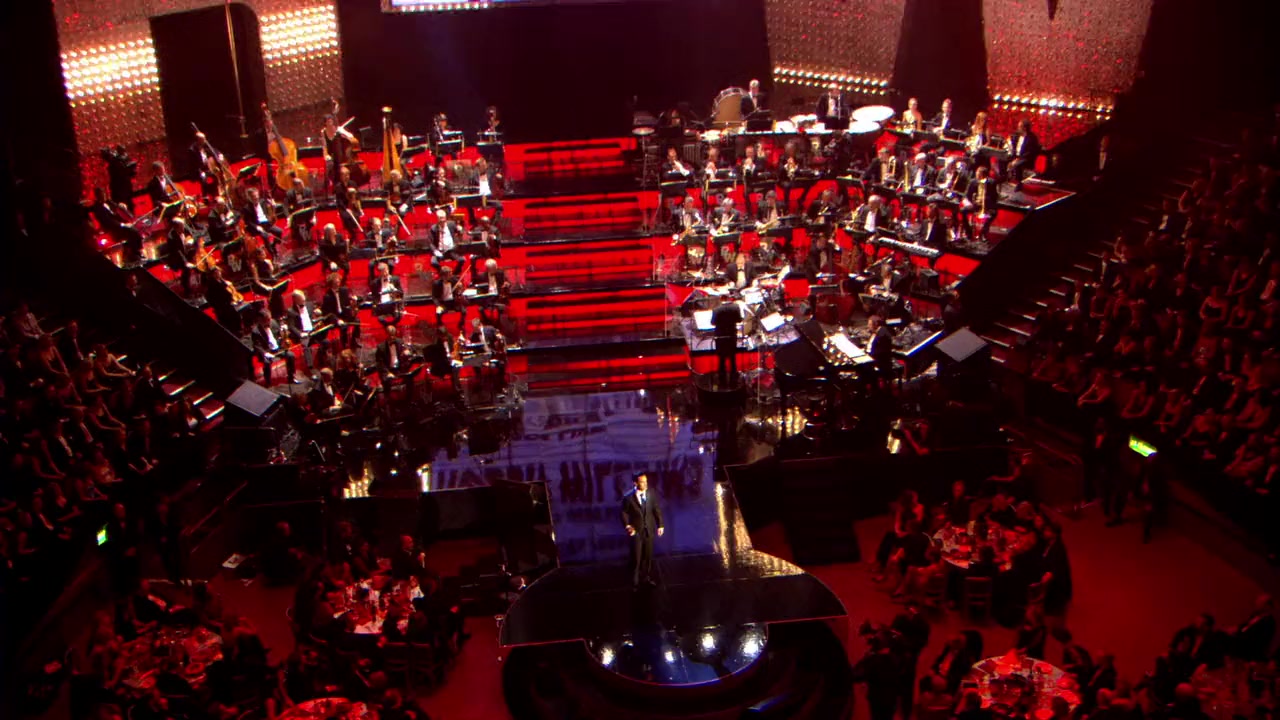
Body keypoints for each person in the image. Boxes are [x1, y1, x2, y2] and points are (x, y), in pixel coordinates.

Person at [621, 472, 664, 587]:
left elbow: (656, 509)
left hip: (648, 531)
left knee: (648, 557)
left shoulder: (651, 494)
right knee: (636, 558)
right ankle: (634, 582)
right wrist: (628, 526)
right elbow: (624, 513)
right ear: (635, 483)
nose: (645, 484)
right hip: (636, 532)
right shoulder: (628, 497)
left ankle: (646, 578)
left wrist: (660, 525)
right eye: (642, 482)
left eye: (646, 481)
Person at [250, 310, 297, 386]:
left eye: (270, 319)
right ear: (260, 320)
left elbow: (279, 335)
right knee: (267, 362)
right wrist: (265, 353)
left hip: (277, 349)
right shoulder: (255, 331)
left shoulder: (273, 322)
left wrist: (283, 335)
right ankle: (268, 382)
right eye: (267, 320)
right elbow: (257, 346)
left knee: (290, 355)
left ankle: (292, 377)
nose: (269, 321)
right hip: (267, 352)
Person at [1229, 594, 1275, 662]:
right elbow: (1246, 626)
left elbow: (1259, 641)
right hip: (1241, 641)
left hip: (1249, 649)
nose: (1256, 604)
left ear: (1267, 606)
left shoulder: (1269, 622)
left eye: (1260, 603)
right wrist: (1236, 629)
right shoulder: (1255, 616)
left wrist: (1240, 635)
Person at [711, 297, 743, 388]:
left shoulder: (716, 309)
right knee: (732, 357)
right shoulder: (735, 307)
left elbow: (713, 322)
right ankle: (734, 378)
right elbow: (739, 320)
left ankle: (722, 380)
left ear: (721, 299)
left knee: (721, 358)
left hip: (721, 336)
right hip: (731, 335)